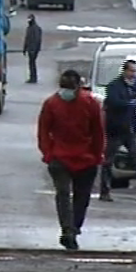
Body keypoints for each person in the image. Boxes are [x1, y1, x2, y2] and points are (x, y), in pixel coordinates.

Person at [37, 69, 105, 250]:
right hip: (69, 158)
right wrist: (48, 153)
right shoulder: (88, 102)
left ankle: (70, 229)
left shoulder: (55, 103)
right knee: (73, 196)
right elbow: (98, 132)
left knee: (67, 196)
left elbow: (98, 132)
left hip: (77, 158)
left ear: (76, 87)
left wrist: (48, 153)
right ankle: (70, 230)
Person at [100, 59, 136, 201]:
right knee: (108, 161)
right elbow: (115, 102)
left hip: (130, 128)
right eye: (131, 71)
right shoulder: (114, 86)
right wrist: (130, 103)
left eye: (135, 71)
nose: (133, 74)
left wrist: (133, 102)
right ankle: (104, 190)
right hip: (115, 129)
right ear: (124, 71)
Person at [23, 14, 43, 83]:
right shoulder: (30, 28)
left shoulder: (35, 29)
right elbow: (26, 39)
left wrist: (34, 49)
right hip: (31, 48)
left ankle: (33, 77)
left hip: (33, 49)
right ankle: (32, 77)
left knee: (32, 63)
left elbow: (37, 40)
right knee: (31, 63)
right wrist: (25, 48)